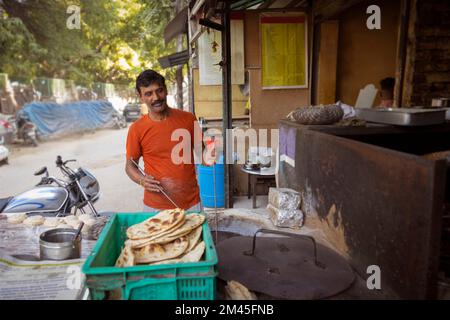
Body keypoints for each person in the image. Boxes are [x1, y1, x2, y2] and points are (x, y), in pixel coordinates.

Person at [125, 70, 203, 212]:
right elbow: (130, 166)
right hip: (155, 207)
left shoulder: (189, 119)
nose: (156, 97)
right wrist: (142, 180)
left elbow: (202, 153)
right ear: (141, 97)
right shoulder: (136, 129)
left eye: (159, 91)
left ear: (166, 90)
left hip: (191, 203)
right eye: (148, 94)